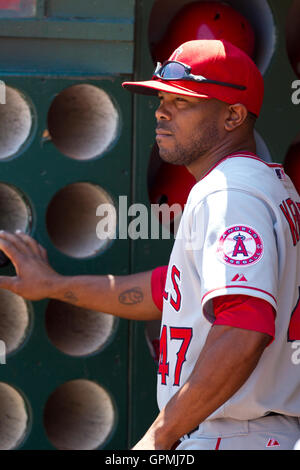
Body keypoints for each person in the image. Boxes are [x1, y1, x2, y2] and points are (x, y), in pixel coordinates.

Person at [0, 39, 299, 450]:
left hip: (236, 434)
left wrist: (159, 437)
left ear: (232, 115)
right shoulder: (261, 185)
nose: (161, 111)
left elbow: (242, 326)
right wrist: (54, 285)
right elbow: (169, 291)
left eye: (183, 101)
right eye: (162, 98)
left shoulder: (231, 194)